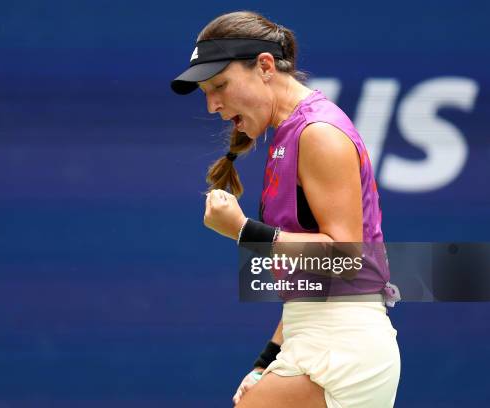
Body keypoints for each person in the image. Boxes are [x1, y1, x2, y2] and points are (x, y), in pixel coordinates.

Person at [171, 11, 401, 408]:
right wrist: (266, 361)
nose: (212, 106)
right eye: (207, 92)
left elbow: (346, 260)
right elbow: (311, 286)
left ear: (264, 66)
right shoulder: (289, 135)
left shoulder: (318, 134)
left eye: (220, 86)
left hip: (341, 348)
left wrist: (244, 231)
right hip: (321, 338)